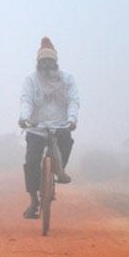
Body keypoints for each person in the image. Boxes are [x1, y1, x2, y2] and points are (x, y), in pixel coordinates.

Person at [18, 37, 79, 219]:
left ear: (55, 62)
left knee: (66, 141)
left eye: (49, 62)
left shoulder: (67, 79)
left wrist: (72, 119)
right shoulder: (31, 79)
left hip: (61, 124)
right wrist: (24, 118)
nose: (46, 66)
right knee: (31, 161)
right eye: (42, 62)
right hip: (36, 127)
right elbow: (26, 100)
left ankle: (59, 171)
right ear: (38, 63)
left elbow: (73, 100)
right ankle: (33, 201)